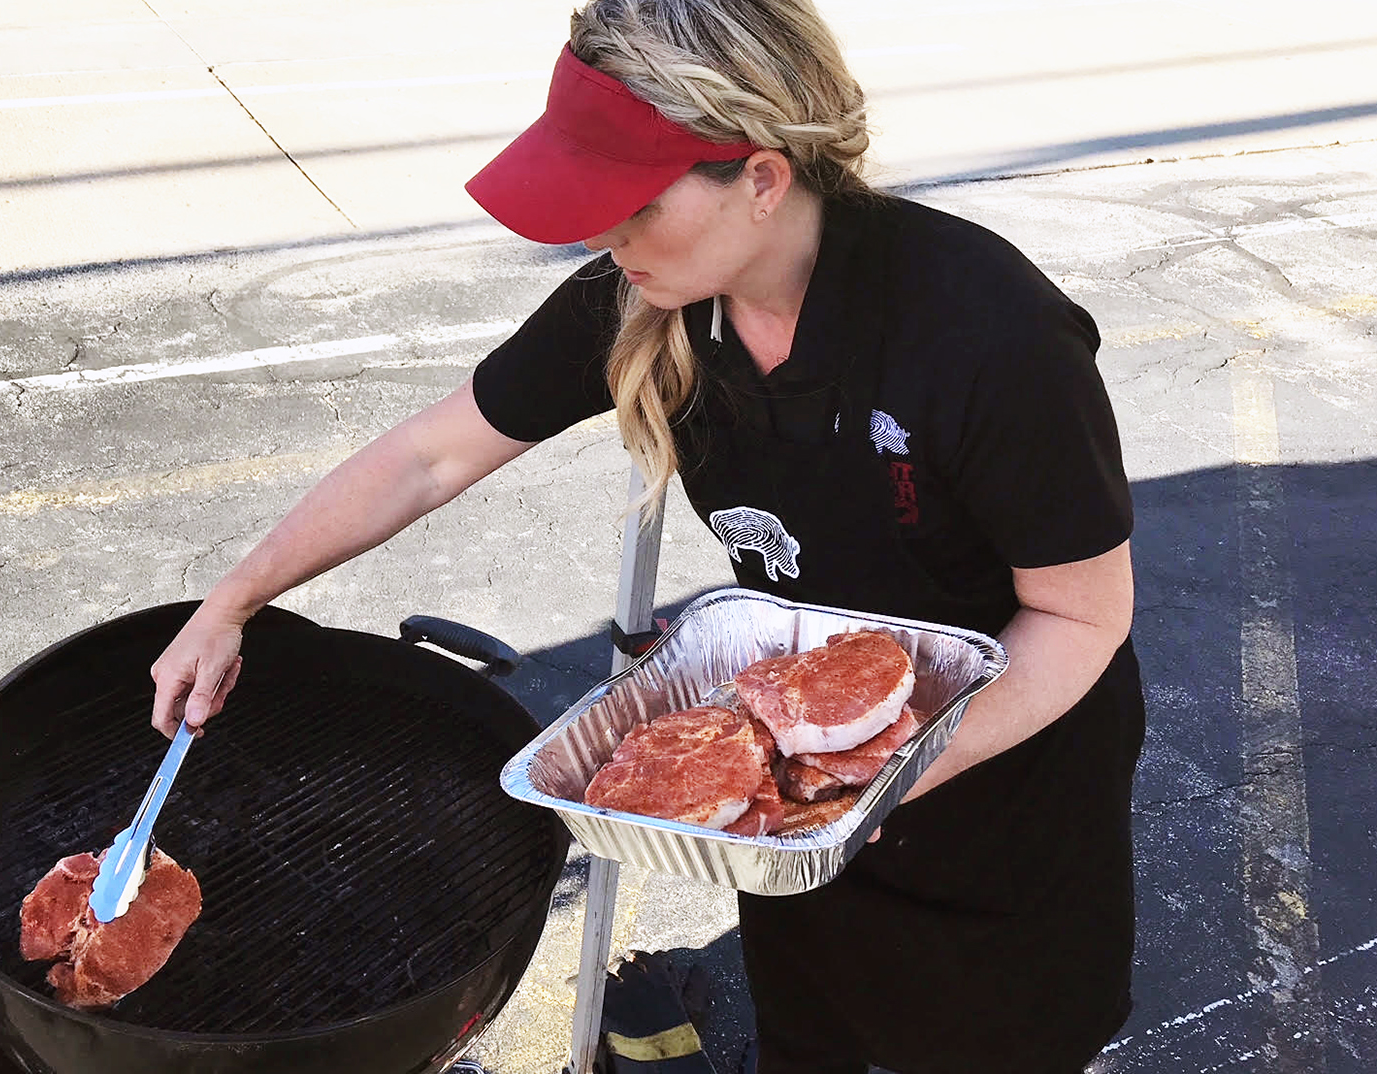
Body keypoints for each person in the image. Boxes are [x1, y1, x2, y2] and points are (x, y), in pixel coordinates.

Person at [149, 1, 1145, 1071]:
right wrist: (232, 602)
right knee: (811, 1032)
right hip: (789, 773)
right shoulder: (650, 298)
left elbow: (1079, 615)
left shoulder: (984, 331)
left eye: (628, 204)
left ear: (760, 178)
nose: (597, 237)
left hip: (1002, 787)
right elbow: (426, 456)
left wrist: (864, 781)